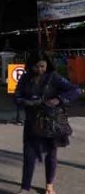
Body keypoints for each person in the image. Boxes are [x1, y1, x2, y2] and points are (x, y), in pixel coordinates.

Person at [14, 51, 80, 194]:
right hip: (32, 121)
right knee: (28, 154)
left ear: (47, 65)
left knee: (51, 153)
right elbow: (17, 97)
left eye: (42, 66)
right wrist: (29, 102)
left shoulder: (53, 77)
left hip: (50, 122)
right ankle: (25, 187)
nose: (39, 70)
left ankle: (49, 185)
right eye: (36, 67)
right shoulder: (25, 78)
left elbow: (75, 90)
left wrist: (59, 100)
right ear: (30, 66)